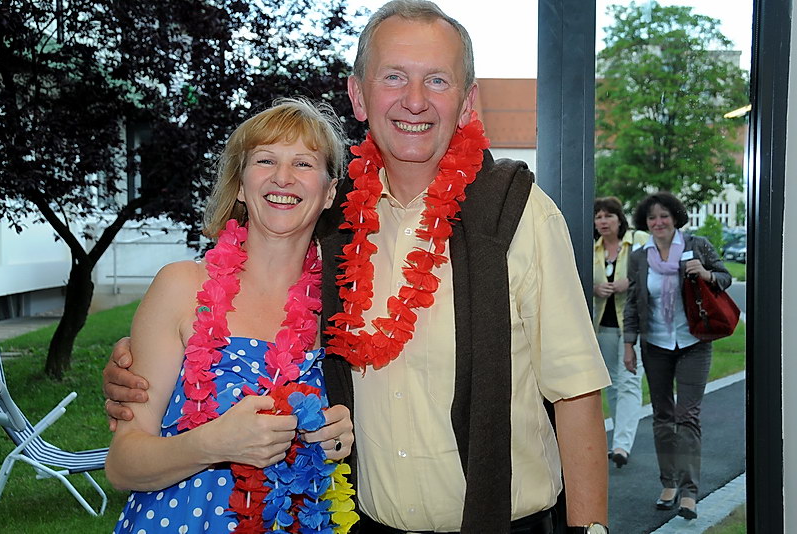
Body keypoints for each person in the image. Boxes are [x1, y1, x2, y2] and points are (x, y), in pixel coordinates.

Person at [103, 2, 612, 533]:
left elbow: (576, 389)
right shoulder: (337, 227)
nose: (414, 100)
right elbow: (230, 334)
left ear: (466, 103)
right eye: (393, 77)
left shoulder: (518, 214)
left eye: (437, 80)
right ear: (358, 95)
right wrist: (139, 364)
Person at [104, 99, 357, 534]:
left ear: (330, 191)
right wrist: (212, 444)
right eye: (265, 160)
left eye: (303, 162)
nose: (283, 177)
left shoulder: (344, 307)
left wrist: (340, 438)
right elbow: (122, 465)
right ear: (240, 184)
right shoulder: (182, 287)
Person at [622, 191, 732, 521]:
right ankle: (668, 482)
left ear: (675, 218)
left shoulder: (697, 246)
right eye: (652, 217)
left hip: (693, 342)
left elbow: (725, 277)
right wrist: (629, 344)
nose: (658, 222)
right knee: (662, 417)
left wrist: (707, 274)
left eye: (664, 216)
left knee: (687, 417)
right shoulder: (639, 257)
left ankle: (689, 491)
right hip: (655, 346)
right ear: (646, 223)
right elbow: (632, 303)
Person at [592, 197, 648, 468]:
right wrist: (595, 288)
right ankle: (618, 441)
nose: (603, 221)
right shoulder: (591, 248)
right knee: (612, 385)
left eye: (609, 216)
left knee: (629, 382)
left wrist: (631, 281)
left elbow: (658, 268)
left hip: (633, 328)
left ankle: (622, 446)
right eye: (598, 217)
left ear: (619, 219)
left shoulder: (637, 241)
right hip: (603, 326)